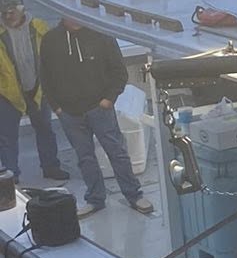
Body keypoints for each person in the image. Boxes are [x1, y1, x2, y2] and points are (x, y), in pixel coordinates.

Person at [40, 14, 153, 215]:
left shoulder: (103, 35)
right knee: (85, 158)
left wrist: (108, 100)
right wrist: (56, 106)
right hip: (69, 113)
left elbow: (119, 72)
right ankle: (95, 199)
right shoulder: (50, 40)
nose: (74, 17)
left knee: (117, 153)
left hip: (100, 109)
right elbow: (45, 76)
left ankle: (134, 195)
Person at [0, 0, 69, 183]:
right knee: (7, 136)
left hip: (38, 89)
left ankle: (51, 167)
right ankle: (11, 176)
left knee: (45, 129)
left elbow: (52, 55)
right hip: (8, 94)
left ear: (22, 9)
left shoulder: (39, 26)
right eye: (4, 12)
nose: (8, 15)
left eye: (12, 11)